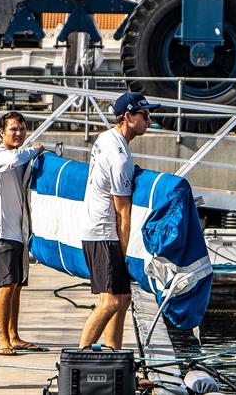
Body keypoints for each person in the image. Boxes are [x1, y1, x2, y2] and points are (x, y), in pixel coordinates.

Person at [78, 92, 157, 350]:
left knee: (123, 299)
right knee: (111, 301)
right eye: (144, 115)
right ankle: (79, 356)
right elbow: (123, 212)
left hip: (96, 227)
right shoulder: (120, 157)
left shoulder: (106, 137)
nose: (149, 120)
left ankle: (114, 354)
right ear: (127, 117)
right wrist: (126, 254)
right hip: (104, 233)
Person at [0, 111, 44, 356]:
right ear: (1, 132)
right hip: (1, 232)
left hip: (16, 232)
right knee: (6, 286)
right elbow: (11, 160)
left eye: (21, 129)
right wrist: (34, 149)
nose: (18, 134)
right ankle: (2, 340)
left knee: (16, 286)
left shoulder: (18, 158)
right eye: (13, 129)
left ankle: (14, 336)